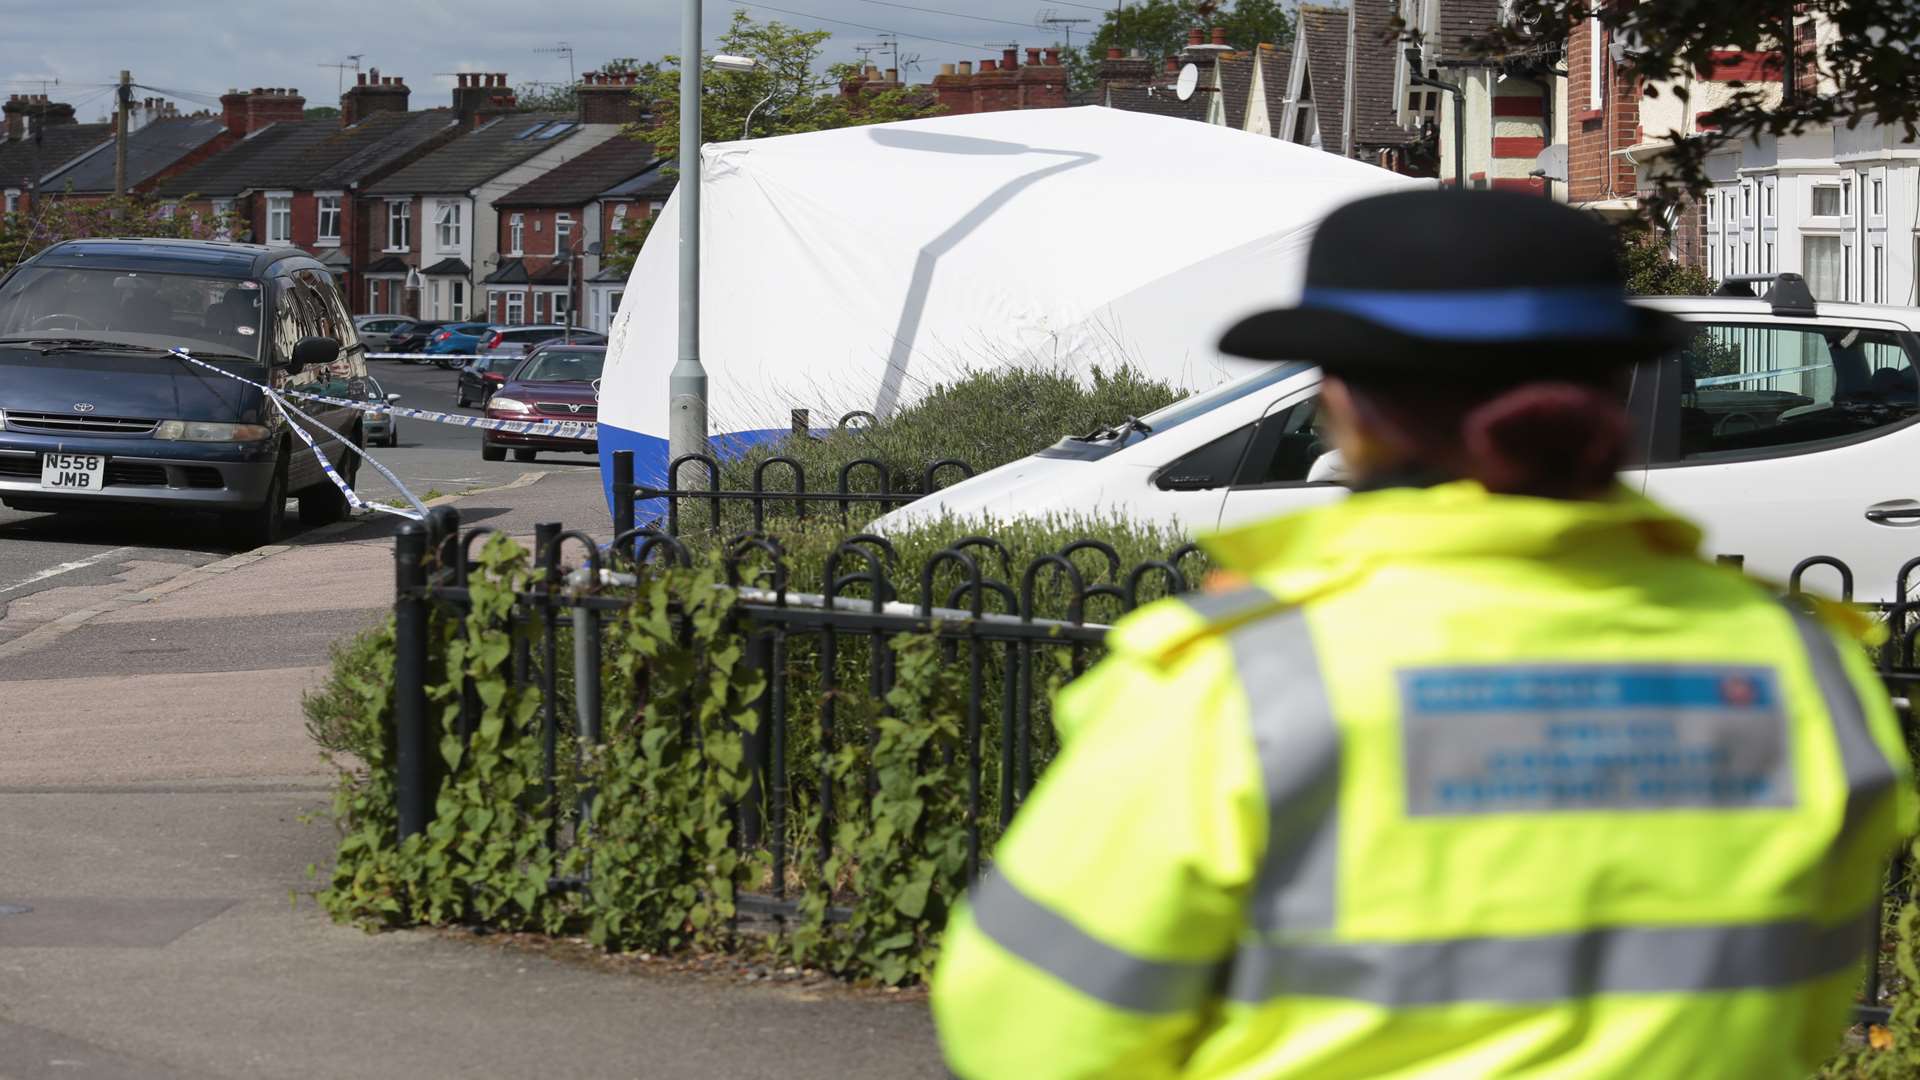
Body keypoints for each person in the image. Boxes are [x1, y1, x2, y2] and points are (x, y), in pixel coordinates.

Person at [930, 190, 1916, 1078]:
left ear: (1342, 403)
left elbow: (1031, 1032)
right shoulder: (1797, 668)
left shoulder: (1244, 680)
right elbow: (1804, 1003)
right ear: (1616, 383)